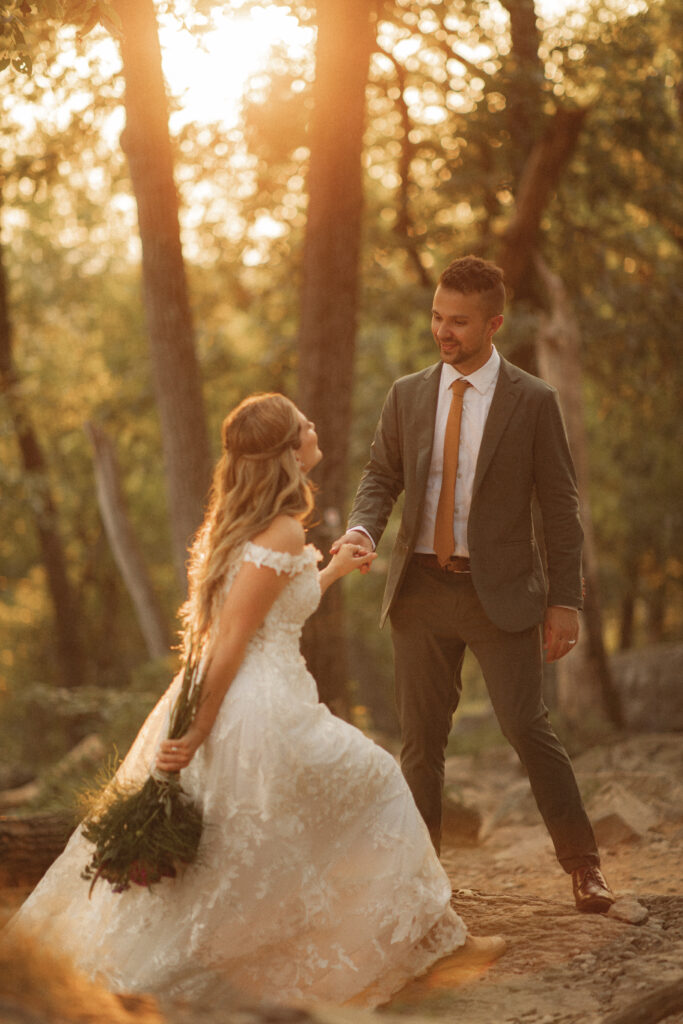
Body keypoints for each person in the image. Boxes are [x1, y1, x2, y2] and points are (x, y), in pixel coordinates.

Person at [7, 392, 505, 1009]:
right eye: (305, 424)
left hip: (253, 695)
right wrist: (196, 732)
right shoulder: (282, 527)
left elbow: (270, 609)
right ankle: (429, 944)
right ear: (287, 451)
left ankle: (413, 940)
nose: (314, 425)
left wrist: (331, 571)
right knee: (376, 782)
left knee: (242, 847)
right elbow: (233, 642)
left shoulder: (249, 527)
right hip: (260, 707)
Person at [333, 256, 614, 914]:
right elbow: (380, 476)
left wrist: (564, 600)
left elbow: (558, 507)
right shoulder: (406, 394)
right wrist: (362, 531)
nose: (442, 330)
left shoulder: (533, 401)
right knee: (420, 743)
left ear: (493, 323)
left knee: (526, 728)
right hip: (420, 591)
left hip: (504, 597)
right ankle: (422, 882)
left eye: (457, 321)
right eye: (436, 316)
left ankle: (583, 867)